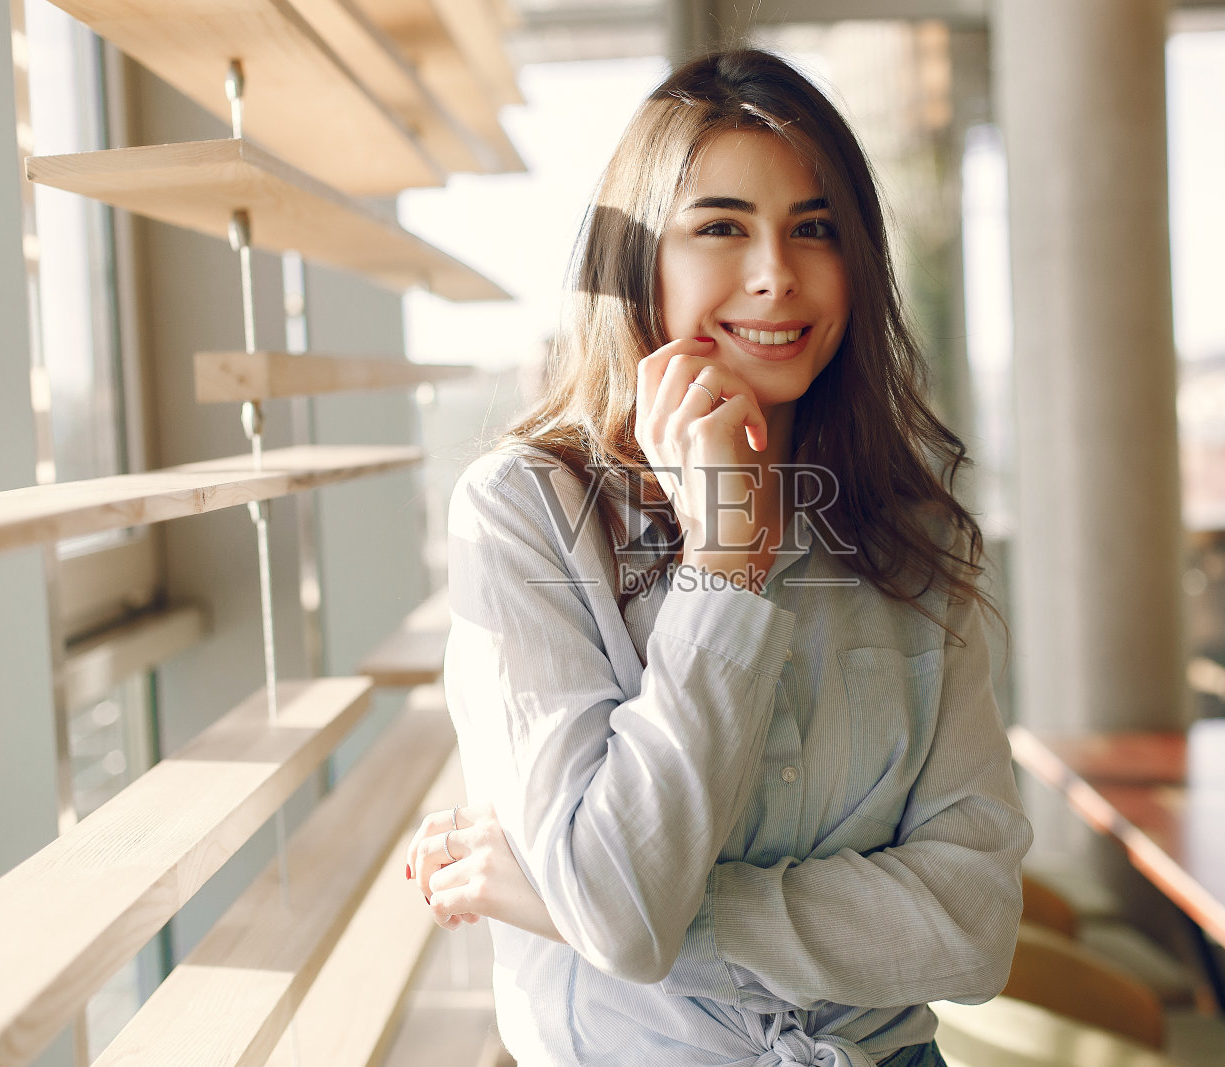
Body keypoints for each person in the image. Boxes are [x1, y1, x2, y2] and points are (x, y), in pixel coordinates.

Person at [404, 49, 1032, 1067]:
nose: (775, 272)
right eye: (722, 227)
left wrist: (565, 899)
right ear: (639, 262)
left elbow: (973, 923)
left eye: (814, 228)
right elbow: (617, 907)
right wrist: (727, 559)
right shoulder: (524, 513)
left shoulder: (915, 536)